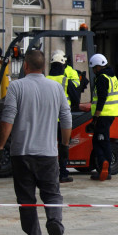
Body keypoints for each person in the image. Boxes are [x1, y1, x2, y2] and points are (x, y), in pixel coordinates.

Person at [0, 49, 70, 235]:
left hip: (22, 154)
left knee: (27, 199)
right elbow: (66, 118)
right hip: (48, 154)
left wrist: (1, 147)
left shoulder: (16, 87)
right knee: (52, 193)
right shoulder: (56, 88)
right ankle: (55, 223)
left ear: (26, 66)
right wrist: (64, 145)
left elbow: (8, 118)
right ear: (44, 66)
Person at [47, 53, 80, 183]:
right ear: (62, 65)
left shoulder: (46, 79)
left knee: (49, 147)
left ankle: (49, 173)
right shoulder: (65, 80)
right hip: (63, 120)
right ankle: (62, 173)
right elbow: (76, 99)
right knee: (64, 146)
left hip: (48, 120)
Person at [90, 53, 118, 181]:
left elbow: (102, 98)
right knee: (103, 140)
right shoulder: (112, 76)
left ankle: (104, 166)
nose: (93, 71)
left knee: (100, 142)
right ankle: (105, 167)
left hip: (103, 114)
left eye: (93, 68)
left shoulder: (102, 78)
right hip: (111, 113)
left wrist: (95, 118)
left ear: (97, 67)